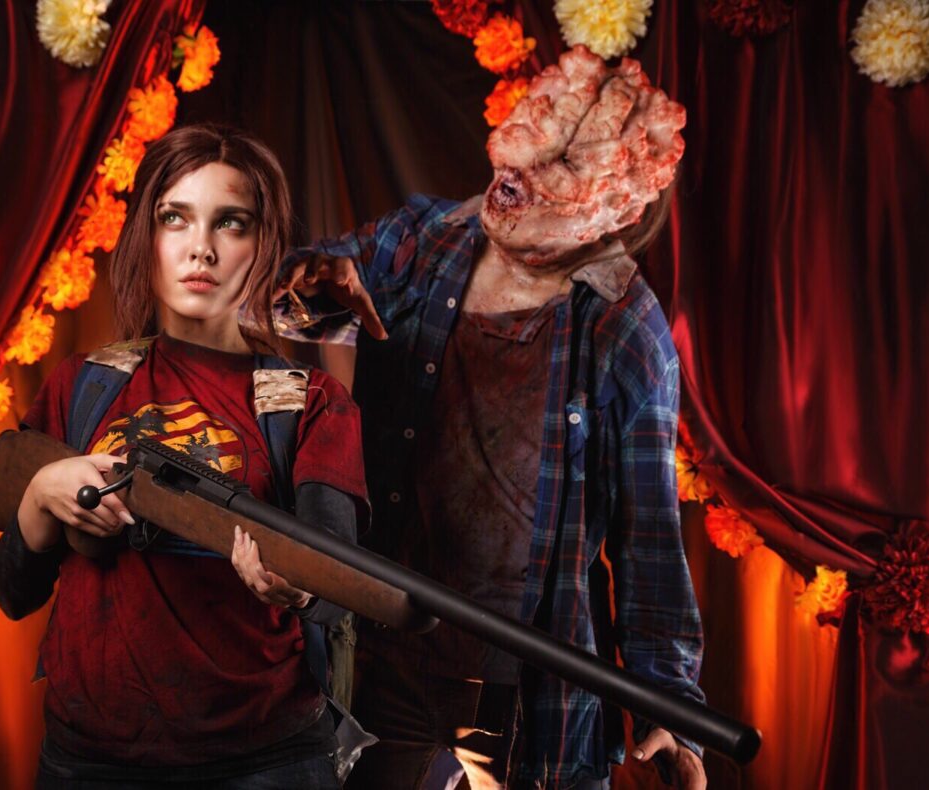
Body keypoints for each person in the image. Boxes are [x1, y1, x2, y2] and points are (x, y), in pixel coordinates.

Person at [276, 47, 707, 789]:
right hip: (383, 653)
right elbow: (299, 292)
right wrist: (310, 282)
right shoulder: (428, 239)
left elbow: (649, 536)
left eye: (560, 165)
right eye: (526, 136)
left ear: (615, 208)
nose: (515, 173)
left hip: (524, 686)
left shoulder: (624, 330)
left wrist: (670, 702)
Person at [0, 124, 368, 789]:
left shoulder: (308, 401)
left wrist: (302, 587)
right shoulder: (81, 385)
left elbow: (337, 579)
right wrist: (41, 497)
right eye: (176, 218)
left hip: (265, 762)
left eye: (231, 223)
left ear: (263, 244)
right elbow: (12, 593)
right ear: (147, 235)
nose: (201, 248)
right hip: (87, 764)